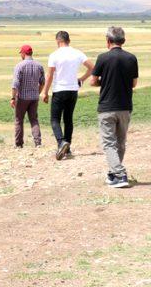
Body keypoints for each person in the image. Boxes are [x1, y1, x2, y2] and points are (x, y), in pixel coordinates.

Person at [90, 27, 138, 189]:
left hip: (107, 106)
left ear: (108, 41)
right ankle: (113, 174)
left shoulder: (103, 58)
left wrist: (106, 81)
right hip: (125, 106)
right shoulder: (132, 58)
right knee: (120, 142)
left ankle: (120, 173)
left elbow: (92, 81)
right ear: (122, 41)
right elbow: (134, 83)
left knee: (109, 143)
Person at [42, 31, 94, 160]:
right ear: (68, 40)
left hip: (59, 90)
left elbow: (49, 75)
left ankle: (61, 142)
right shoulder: (77, 53)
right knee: (68, 119)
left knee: (54, 119)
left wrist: (44, 91)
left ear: (57, 41)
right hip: (73, 90)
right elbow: (92, 67)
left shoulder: (54, 55)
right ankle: (68, 149)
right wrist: (81, 79)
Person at [11, 44, 45, 148]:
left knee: (19, 120)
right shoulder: (39, 66)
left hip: (22, 97)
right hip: (34, 97)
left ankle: (19, 144)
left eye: (21, 52)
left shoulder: (19, 66)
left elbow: (15, 84)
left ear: (24, 53)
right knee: (34, 119)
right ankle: (38, 142)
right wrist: (37, 92)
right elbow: (42, 82)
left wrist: (13, 98)